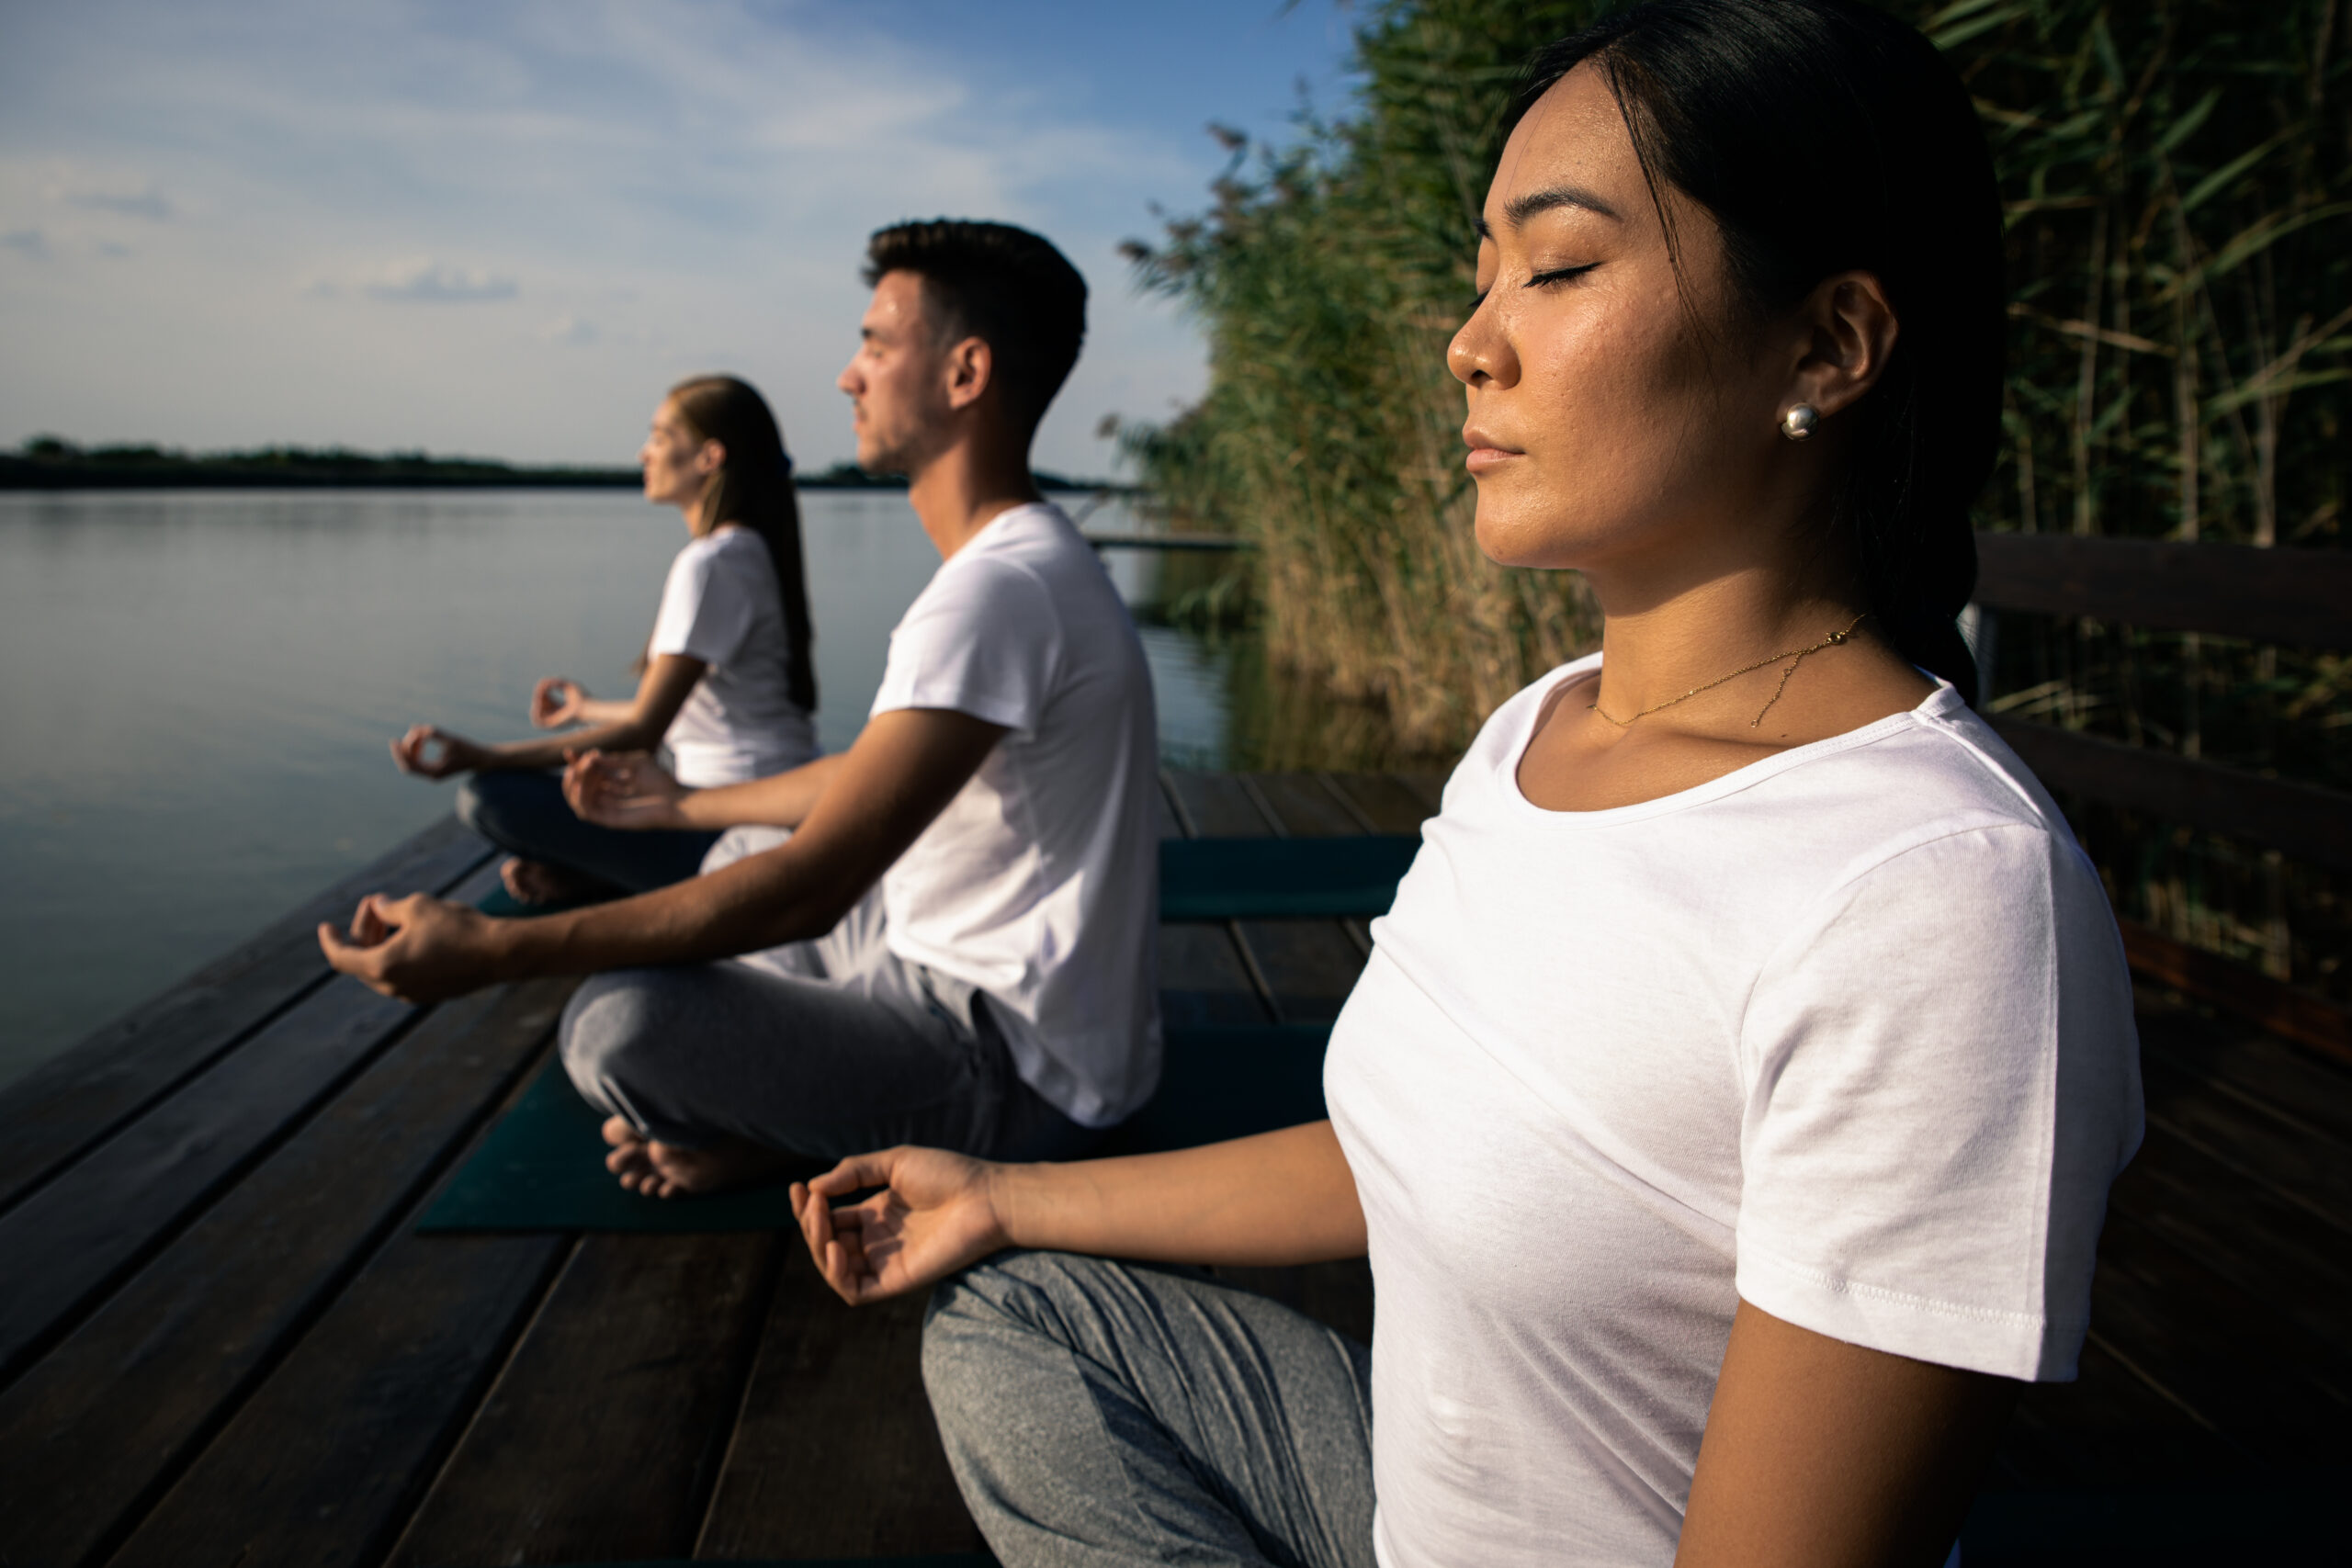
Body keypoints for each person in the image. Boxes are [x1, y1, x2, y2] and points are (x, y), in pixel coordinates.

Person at [783, 6, 2144, 1568]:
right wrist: (1006, 1197)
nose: (1470, 339)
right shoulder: (1534, 733)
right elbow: (1405, 1144)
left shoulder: (1932, 890)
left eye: (1556, 268)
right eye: (1480, 274)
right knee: (1010, 1314)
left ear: (1826, 344)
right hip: (1395, 1508)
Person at [322, 220, 1161, 1200]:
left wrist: (492, 949)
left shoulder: (996, 593)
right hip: (942, 970)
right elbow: (862, 778)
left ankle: (819, 1131)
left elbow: (813, 885)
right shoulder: (1028, 564)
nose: (848, 376)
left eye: (876, 346)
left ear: (964, 372)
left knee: (615, 1025)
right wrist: (677, 812)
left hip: (1014, 1070)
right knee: (735, 870)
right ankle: (801, 1114)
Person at [388, 375, 820, 906]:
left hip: (730, 832)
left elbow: (645, 731)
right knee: (520, 887)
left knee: (489, 800)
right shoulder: (747, 552)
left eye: (659, 436)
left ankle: (595, 890)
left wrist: (482, 755)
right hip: (761, 812)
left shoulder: (710, 564)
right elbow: (680, 713)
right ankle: (587, 886)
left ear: (708, 457)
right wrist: (586, 709)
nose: (644, 452)